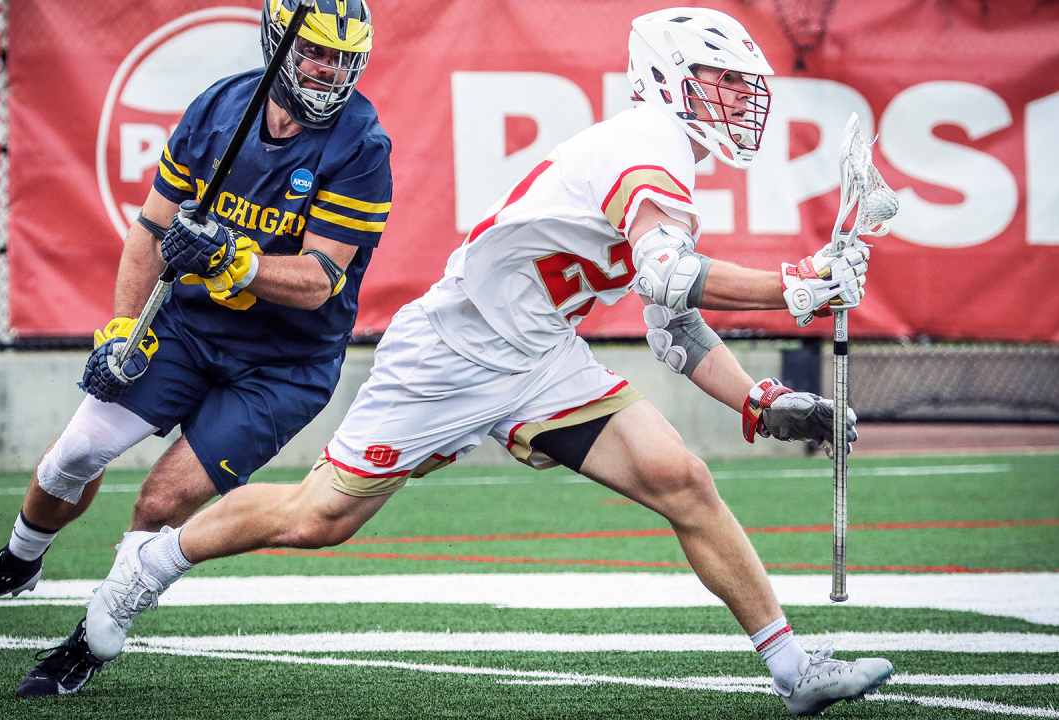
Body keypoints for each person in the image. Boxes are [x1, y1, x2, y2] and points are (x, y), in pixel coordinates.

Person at [84, 8, 889, 716]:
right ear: (668, 80)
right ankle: (153, 562)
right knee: (316, 519)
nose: (734, 99)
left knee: (683, 481)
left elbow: (672, 325)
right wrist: (801, 283)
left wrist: (755, 399)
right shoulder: (648, 142)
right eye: (716, 79)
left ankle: (793, 670)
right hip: (454, 353)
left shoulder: (664, 159)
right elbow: (669, 275)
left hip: (539, 355)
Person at [0, 0, 390, 698]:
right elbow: (148, 231)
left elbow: (320, 280)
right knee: (74, 454)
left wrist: (237, 258)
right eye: (317, 52)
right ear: (278, 43)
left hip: (281, 365)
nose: (330, 71)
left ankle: (94, 635)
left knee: (162, 498)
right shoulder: (220, 110)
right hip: (191, 327)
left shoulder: (361, 144)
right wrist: (121, 328)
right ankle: (17, 563)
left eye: (345, 58)